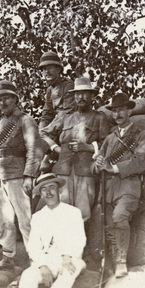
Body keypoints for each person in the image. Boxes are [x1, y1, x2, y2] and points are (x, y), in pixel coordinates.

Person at [92, 92, 145, 278]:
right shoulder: (110, 139)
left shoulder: (142, 136)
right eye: (115, 112)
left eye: (121, 111)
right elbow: (96, 165)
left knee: (119, 218)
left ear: (129, 111)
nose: (117, 115)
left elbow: (139, 162)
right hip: (108, 189)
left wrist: (112, 167)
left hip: (128, 187)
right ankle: (109, 261)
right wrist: (98, 164)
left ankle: (121, 262)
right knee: (107, 224)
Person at [0, 80, 40, 271]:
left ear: (15, 99)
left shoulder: (26, 120)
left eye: (6, 98)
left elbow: (33, 149)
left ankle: (36, 259)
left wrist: (29, 175)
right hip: (0, 177)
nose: (3, 102)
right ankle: (8, 257)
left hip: (18, 175)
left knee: (25, 219)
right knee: (4, 219)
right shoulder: (0, 123)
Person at [40, 77, 110, 222]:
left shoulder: (99, 118)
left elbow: (107, 143)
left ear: (91, 96)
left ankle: (78, 245)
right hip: (63, 171)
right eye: (77, 94)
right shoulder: (66, 117)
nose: (80, 97)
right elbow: (43, 133)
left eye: (84, 93)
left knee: (81, 214)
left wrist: (88, 147)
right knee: (60, 211)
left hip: (85, 172)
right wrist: (56, 148)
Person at [12, 173, 86, 288]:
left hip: (71, 257)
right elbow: (33, 246)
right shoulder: (38, 217)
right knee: (29, 274)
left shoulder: (73, 212)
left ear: (60, 190)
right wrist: (42, 265)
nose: (48, 192)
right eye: (44, 189)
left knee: (71, 269)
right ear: (41, 194)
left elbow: (79, 238)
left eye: (52, 187)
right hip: (47, 259)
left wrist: (67, 255)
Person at [38, 51, 75, 130]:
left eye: (50, 68)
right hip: (57, 126)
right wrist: (40, 130)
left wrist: (49, 129)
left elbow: (68, 112)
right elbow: (46, 114)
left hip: (70, 126)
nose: (47, 71)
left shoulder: (68, 85)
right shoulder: (49, 90)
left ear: (58, 69)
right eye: (44, 69)